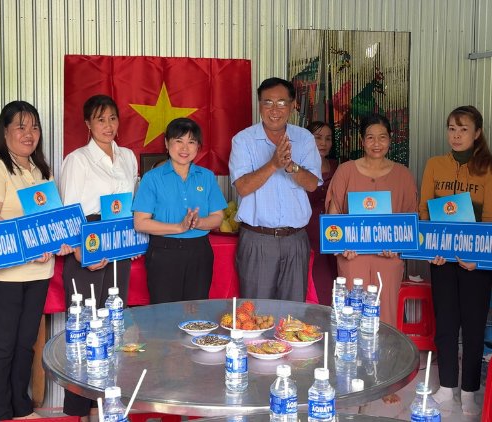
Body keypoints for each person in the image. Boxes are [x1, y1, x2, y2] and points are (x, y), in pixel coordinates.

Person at [0, 101, 71, 421]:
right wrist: (30, 245)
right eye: (21, 127)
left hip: (39, 271)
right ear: (5, 132)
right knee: (0, 347)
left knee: (25, 344)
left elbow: (52, 218)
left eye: (34, 127)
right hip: (5, 274)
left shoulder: (41, 169)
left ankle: (21, 407)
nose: (29, 134)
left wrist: (59, 240)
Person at [58, 94, 138, 420]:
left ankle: (106, 409)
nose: (108, 126)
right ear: (88, 124)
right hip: (87, 242)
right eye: (100, 119)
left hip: (119, 243)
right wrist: (81, 251)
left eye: (112, 118)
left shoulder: (128, 157)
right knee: (85, 331)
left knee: (113, 329)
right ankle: (78, 411)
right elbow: (69, 210)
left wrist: (132, 242)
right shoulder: (77, 159)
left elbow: (131, 205)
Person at [419, 106, 492, 415]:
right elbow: (425, 211)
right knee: (446, 324)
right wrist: (431, 248)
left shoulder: (489, 168)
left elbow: (491, 218)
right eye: (452, 128)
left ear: (477, 133)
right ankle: (446, 386)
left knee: (474, 325)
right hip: (442, 259)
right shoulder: (435, 165)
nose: (456, 135)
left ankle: (469, 391)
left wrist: (478, 257)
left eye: (463, 129)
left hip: (474, 261)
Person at [228, 77, 322, 301]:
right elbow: (243, 187)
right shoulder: (243, 140)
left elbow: (311, 184)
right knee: (256, 311)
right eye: (268, 102)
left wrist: (290, 166)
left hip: (295, 239)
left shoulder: (304, 138)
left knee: (293, 312)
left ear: (292, 105)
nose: (274, 110)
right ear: (259, 105)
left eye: (281, 103)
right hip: (258, 239)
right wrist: (273, 164)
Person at [325, 114, 418, 327]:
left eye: (382, 137)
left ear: (390, 139)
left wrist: (398, 247)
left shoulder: (403, 175)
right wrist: (341, 247)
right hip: (352, 258)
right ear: (362, 141)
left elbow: (410, 223)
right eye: (370, 138)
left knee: (385, 320)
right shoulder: (346, 171)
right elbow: (333, 218)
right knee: (350, 318)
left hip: (388, 259)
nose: (377, 143)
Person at [133, 117, 227, 303]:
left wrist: (199, 222)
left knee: (197, 311)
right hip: (163, 252)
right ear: (167, 143)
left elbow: (218, 217)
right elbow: (140, 222)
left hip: (199, 252)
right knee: (165, 312)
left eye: (191, 142)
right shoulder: (152, 178)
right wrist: (179, 227)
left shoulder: (206, 177)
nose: (185, 148)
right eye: (179, 141)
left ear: (198, 147)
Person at [305, 121, 340, 305]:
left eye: (328, 139)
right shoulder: (298, 169)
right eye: (317, 138)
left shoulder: (338, 168)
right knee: (314, 285)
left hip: (333, 235)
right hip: (308, 236)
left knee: (334, 283)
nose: (323, 143)